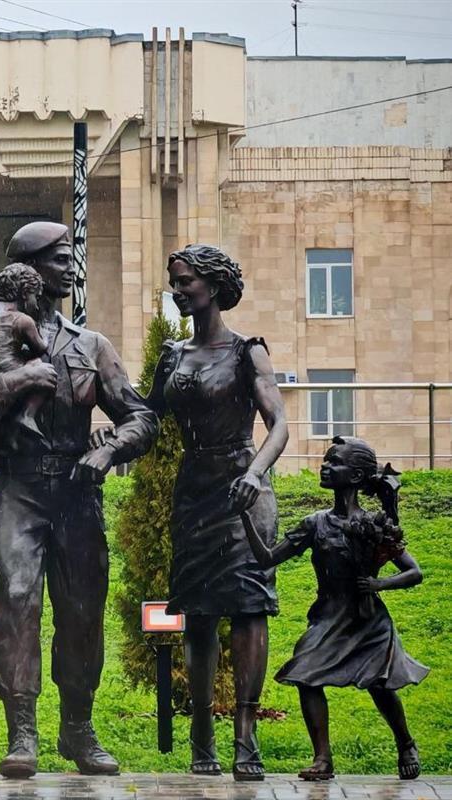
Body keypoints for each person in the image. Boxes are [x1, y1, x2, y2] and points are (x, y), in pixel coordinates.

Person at [0, 221, 158, 778]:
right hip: (17, 489)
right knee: (16, 603)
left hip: (77, 494)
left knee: (82, 613)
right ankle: (22, 730)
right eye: (61, 258)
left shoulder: (91, 345)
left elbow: (140, 417)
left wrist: (109, 452)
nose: (72, 268)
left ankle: (77, 727)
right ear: (31, 270)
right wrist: (18, 380)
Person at [91, 243, 289, 780]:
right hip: (195, 491)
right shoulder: (173, 357)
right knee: (198, 613)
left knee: (248, 607)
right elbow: (146, 418)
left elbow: (279, 425)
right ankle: (202, 737)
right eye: (174, 282)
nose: (177, 291)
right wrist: (112, 437)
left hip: (243, 489)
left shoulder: (248, 352)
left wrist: (256, 474)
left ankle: (245, 737)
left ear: (214, 287)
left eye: (185, 282)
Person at [240, 436, 427, 781]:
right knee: (305, 673)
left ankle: (405, 743)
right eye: (326, 460)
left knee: (380, 685)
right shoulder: (315, 524)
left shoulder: (374, 524)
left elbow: (414, 572)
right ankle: (322, 758)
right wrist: (244, 514)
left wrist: (380, 584)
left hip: (368, 620)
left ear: (355, 476)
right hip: (328, 616)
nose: (324, 466)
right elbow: (267, 557)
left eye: (334, 462)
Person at [0, 262, 49, 439]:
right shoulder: (23, 320)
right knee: (42, 369)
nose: (37, 306)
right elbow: (40, 348)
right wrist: (45, 336)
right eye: (36, 297)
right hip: (8, 375)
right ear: (25, 293)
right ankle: (28, 415)